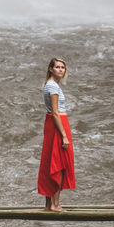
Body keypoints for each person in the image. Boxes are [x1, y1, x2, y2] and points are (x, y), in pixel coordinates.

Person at [38, 57, 76, 211]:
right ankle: (55, 204)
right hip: (57, 124)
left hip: (53, 124)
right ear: (51, 69)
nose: (61, 69)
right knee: (59, 164)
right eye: (58, 67)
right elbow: (55, 113)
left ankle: (49, 204)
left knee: (50, 162)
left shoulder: (51, 85)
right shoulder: (53, 87)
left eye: (63, 67)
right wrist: (64, 135)